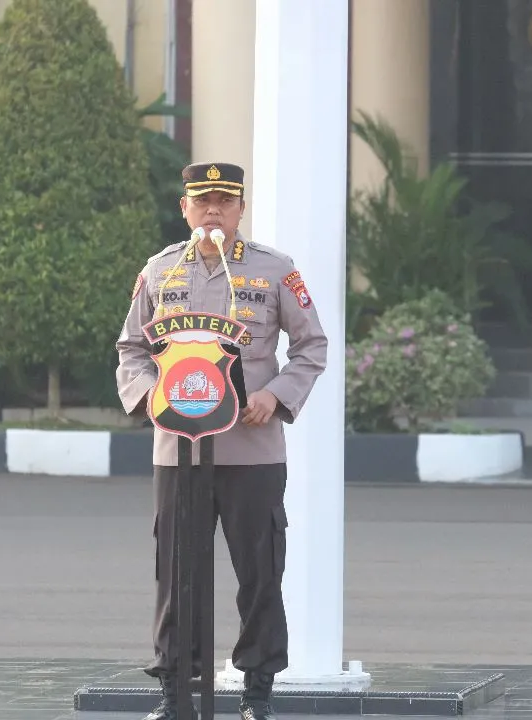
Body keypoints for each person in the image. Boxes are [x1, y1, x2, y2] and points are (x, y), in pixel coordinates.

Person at [115, 162, 328, 720]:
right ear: (184, 208)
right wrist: (148, 399)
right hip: (179, 449)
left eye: (224, 202)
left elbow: (312, 347)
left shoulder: (274, 272)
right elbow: (131, 349)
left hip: (251, 449)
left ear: (240, 209)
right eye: (202, 201)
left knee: (259, 569)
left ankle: (257, 689)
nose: (213, 211)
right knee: (177, 571)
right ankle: (174, 691)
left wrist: (276, 396)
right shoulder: (160, 272)